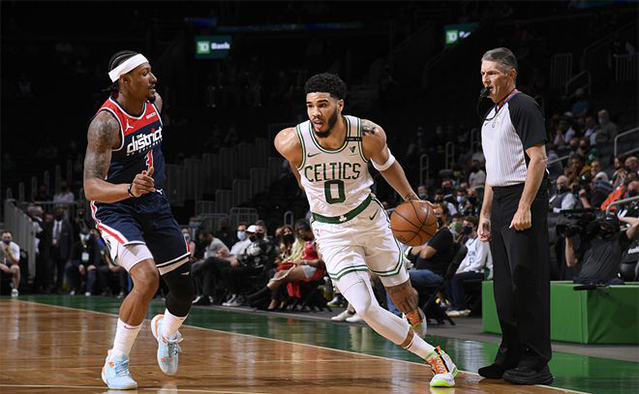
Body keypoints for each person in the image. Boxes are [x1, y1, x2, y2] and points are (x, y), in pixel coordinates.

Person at [274, 73, 457, 387]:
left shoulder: (368, 133)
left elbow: (387, 167)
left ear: (340, 104)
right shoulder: (291, 141)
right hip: (332, 233)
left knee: (404, 298)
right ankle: (435, 358)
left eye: (322, 104)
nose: (315, 112)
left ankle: (412, 315)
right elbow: (297, 168)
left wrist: (411, 199)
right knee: (364, 306)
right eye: (309, 106)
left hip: (371, 222)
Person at [83, 50, 193, 389]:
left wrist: (143, 189)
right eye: (145, 73)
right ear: (124, 80)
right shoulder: (106, 124)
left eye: (151, 71)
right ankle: (116, 361)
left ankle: (166, 331)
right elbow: (91, 187)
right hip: (117, 208)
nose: (153, 78)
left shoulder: (155, 103)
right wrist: (128, 189)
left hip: (153, 203)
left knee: (185, 290)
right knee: (146, 279)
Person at [478, 48, 553, 385]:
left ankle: (537, 362)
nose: (485, 79)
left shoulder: (523, 105)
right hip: (501, 200)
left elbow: (538, 159)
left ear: (510, 73)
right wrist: (484, 213)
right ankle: (510, 356)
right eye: (483, 74)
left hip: (525, 197)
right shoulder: (492, 114)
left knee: (527, 283)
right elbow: (493, 170)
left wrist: (525, 206)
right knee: (505, 289)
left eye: (492, 73)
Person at [565, 214, 638, 285]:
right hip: (585, 281)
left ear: (614, 229)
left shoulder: (620, 239)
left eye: (608, 227)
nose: (604, 228)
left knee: (618, 283)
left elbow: (637, 222)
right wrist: (568, 238)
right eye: (603, 225)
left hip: (608, 283)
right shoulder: (589, 241)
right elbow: (571, 262)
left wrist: (618, 218)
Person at [445, 216, 493, 317]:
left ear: (475, 226)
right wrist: (458, 270)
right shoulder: (468, 242)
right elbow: (465, 261)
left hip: (482, 272)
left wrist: (464, 271)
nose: (465, 227)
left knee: (455, 278)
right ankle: (453, 306)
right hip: (471, 271)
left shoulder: (481, 240)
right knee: (449, 276)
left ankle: (461, 308)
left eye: (468, 225)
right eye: (464, 225)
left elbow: (480, 262)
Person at [0, 231, 21, 297]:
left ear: (11, 238)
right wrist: (1, 265)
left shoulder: (15, 246)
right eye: (5, 237)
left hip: (10, 265)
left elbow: (16, 262)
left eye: (8, 237)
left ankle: (14, 290)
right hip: (1, 264)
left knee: (16, 268)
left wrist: (9, 253)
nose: (7, 239)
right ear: (1, 238)